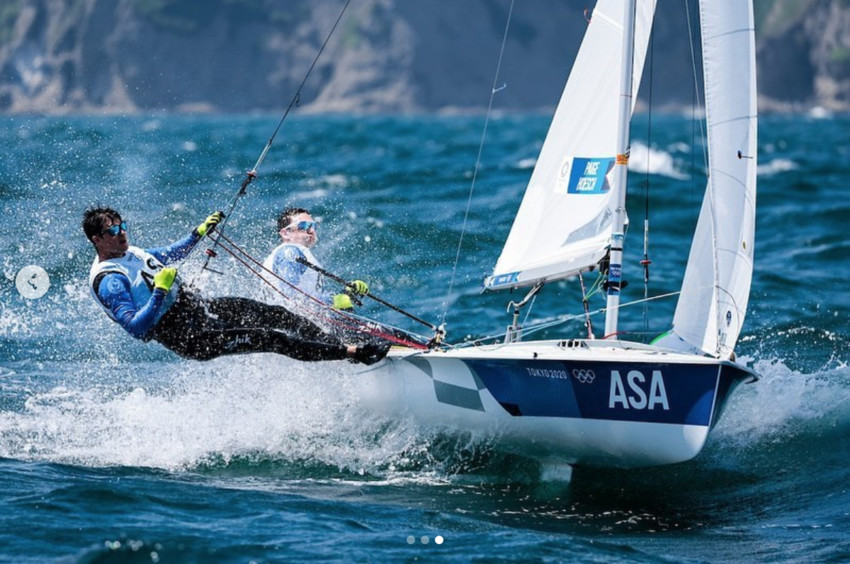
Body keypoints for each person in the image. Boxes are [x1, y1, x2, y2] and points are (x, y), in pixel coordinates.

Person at [82, 206, 389, 364]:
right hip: (187, 336)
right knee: (270, 338)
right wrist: (160, 291)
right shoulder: (109, 280)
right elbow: (136, 328)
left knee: (276, 314)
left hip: (199, 308)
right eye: (113, 231)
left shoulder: (131, 251)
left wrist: (198, 232)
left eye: (123, 226)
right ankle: (353, 354)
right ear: (97, 240)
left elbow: (168, 254)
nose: (122, 233)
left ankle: (335, 344)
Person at [262, 207, 370, 313]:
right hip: (283, 323)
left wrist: (346, 293)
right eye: (304, 225)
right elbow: (289, 295)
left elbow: (310, 297)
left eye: (313, 226)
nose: (312, 230)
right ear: (286, 233)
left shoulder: (301, 254)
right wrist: (332, 301)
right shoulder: (289, 251)